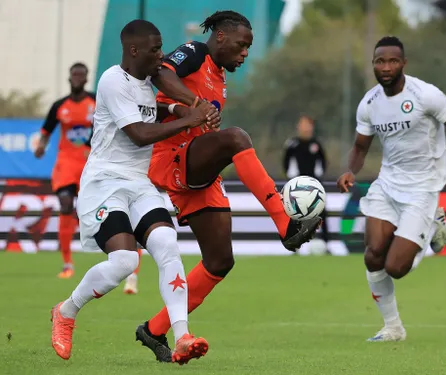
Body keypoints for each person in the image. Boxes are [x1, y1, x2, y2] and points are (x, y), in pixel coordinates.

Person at [133, 10, 321, 362]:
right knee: (236, 138)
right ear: (220, 36)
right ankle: (285, 223)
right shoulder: (193, 51)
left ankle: (154, 330)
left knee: (220, 261)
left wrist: (201, 111)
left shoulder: (218, 75)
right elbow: (159, 73)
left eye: (248, 47)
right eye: (241, 44)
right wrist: (194, 104)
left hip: (197, 165)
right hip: (170, 157)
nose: (245, 52)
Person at [50, 19, 219, 364]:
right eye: (155, 49)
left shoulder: (146, 82)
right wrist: (189, 118)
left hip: (139, 183)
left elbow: (150, 108)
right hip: (104, 183)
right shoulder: (113, 79)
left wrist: (177, 108)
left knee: (167, 244)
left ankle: (182, 335)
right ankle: (65, 311)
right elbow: (139, 133)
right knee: (125, 261)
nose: (162, 55)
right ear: (134, 50)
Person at [337, 36, 446, 342]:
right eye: (379, 61)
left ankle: (432, 222)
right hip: (388, 184)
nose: (386, 67)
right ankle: (393, 328)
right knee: (373, 257)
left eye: (392, 61)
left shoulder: (425, 95)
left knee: (396, 267)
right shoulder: (370, 103)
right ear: (373, 64)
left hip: (423, 188)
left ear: (404, 64)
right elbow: (360, 147)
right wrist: (350, 170)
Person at [34, 63, 95, 278]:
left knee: (96, 209)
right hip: (67, 163)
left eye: (81, 75)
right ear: (69, 78)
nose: (77, 78)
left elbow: (107, 123)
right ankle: (67, 263)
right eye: (74, 75)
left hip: (90, 164)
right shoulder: (59, 105)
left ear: (86, 79)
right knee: (66, 203)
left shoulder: (95, 102)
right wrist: (41, 145)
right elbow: (46, 130)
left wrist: (89, 145)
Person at [283, 115, 329, 249]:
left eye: (307, 125)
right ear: (298, 127)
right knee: (294, 215)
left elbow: (323, 164)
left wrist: (317, 183)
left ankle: (326, 244)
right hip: (296, 188)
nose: (305, 128)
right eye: (302, 124)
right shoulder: (292, 144)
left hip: (314, 187)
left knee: (321, 213)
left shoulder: (316, 144)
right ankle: (293, 245)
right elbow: (286, 164)